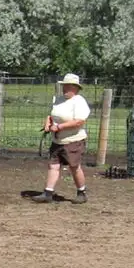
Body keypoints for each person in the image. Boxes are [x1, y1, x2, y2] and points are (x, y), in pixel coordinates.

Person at [32, 73, 90, 204]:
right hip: (57, 140)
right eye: (64, 86)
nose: (65, 89)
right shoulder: (58, 100)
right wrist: (47, 123)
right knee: (53, 165)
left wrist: (59, 127)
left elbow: (79, 122)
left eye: (68, 86)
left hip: (73, 140)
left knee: (74, 167)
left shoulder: (79, 102)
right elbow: (51, 115)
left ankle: (82, 192)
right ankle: (48, 192)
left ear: (75, 88)